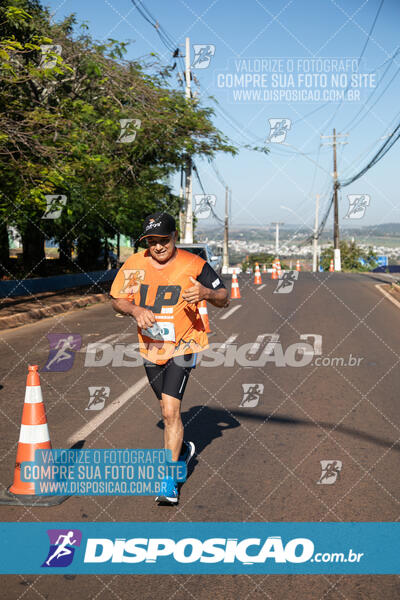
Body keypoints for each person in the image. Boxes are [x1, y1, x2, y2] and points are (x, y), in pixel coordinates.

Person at [110, 212, 229, 504]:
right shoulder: (135, 264)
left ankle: (168, 480)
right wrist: (135, 311)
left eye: (163, 240)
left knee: (169, 413)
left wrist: (205, 292)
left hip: (185, 345)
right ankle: (184, 451)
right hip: (151, 347)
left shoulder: (193, 264)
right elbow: (118, 299)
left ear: (174, 236)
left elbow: (224, 298)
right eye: (152, 241)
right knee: (165, 407)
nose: (158, 246)